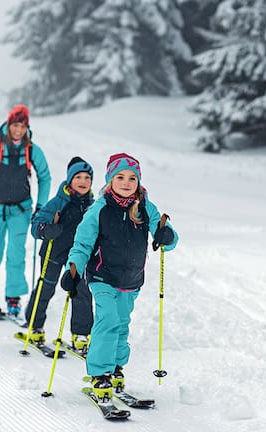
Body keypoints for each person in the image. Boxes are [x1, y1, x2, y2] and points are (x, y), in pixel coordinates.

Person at [60, 152, 178, 399]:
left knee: (122, 324)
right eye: (120, 177)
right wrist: (73, 269)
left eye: (132, 178)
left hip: (131, 280)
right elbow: (82, 245)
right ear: (110, 180)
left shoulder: (145, 206)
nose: (126, 182)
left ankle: (115, 367)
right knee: (107, 320)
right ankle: (99, 374)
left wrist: (167, 236)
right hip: (102, 277)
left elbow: (166, 234)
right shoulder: (99, 209)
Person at [0, 104, 51, 317]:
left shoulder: (31, 149)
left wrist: (41, 206)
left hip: (20, 210)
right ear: (9, 125)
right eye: (15, 125)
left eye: (22, 126)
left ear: (27, 127)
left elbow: (45, 176)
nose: (18, 130)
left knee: (16, 254)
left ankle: (13, 298)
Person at [24, 157, 95, 351]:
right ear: (70, 180)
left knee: (81, 290)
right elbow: (36, 224)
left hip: (78, 256)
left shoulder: (92, 206)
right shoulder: (58, 202)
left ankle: (81, 334)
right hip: (53, 251)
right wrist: (45, 229)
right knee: (46, 287)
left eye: (87, 177)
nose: (83, 181)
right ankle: (34, 326)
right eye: (78, 177)